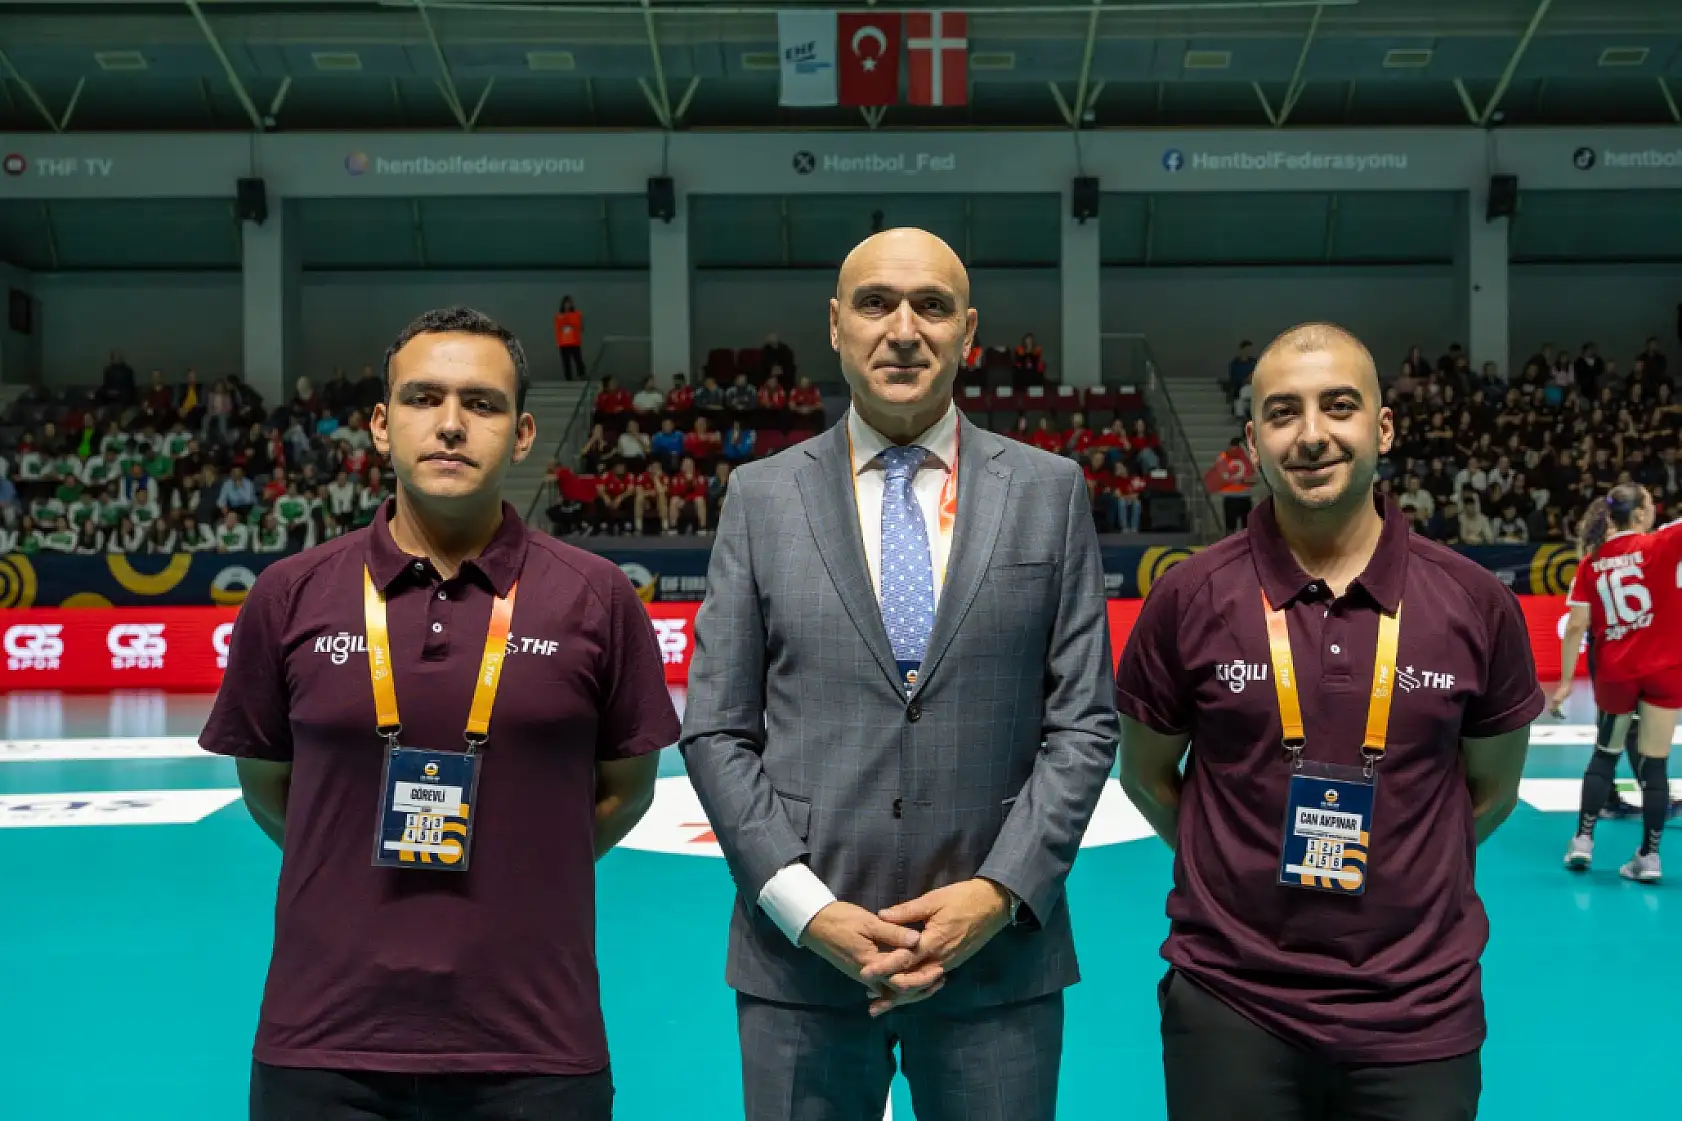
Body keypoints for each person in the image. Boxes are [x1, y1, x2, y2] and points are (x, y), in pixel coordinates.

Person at [679, 227, 1117, 1121]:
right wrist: (808, 908)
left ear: (970, 332)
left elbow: (1083, 723)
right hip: (800, 962)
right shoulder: (760, 497)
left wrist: (995, 896)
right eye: (876, 304)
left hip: (997, 960)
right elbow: (718, 728)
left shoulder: (1051, 489)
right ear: (836, 326)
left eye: (932, 306)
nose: (903, 329)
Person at [199, 306, 678, 1121]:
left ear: (524, 433)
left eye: (482, 404)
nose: (451, 424)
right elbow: (273, 791)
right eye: (424, 399)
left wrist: (522, 851)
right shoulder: (289, 595)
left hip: (535, 1048)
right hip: (324, 1044)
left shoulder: (596, 597)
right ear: (382, 426)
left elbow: (625, 790)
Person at [1115, 321, 1544, 1121]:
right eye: (1283, 413)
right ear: (1252, 440)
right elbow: (1143, 772)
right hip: (1231, 1000)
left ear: (1382, 426)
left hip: (1418, 1006)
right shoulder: (1189, 598)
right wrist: (1232, 863)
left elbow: (1491, 790)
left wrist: (1402, 866)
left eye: (1338, 406)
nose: (1311, 435)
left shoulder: (1474, 602)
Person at [1553, 483, 1682, 883]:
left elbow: (1575, 625)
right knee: (1655, 764)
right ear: (1641, 514)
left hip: (1616, 673)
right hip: (1664, 670)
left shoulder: (1592, 564)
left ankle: (1582, 841)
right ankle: (1649, 856)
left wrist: (1561, 685)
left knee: (1605, 755)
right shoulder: (1663, 544)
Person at [555, 295, 585, 380]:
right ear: (563, 304)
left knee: (578, 359)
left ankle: (582, 375)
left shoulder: (576, 314)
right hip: (564, 343)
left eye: (569, 303)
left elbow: (579, 326)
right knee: (566, 362)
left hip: (574, 341)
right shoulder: (559, 316)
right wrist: (558, 342)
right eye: (566, 303)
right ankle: (568, 378)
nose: (567, 305)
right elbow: (558, 329)